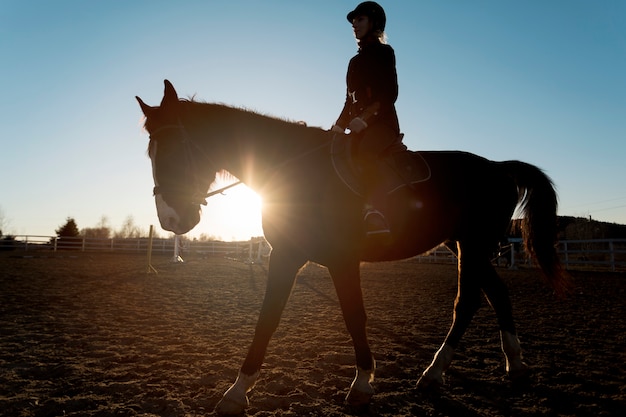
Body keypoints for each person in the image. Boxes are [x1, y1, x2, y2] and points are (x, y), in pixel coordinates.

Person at [331, 1, 401, 243]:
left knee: (365, 152)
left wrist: (366, 118)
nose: (354, 25)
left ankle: (375, 210)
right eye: (353, 21)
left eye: (360, 19)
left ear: (374, 23)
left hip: (383, 126)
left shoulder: (385, 52)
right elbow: (349, 100)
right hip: (358, 126)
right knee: (334, 154)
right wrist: (339, 125)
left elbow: (389, 93)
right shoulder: (354, 62)